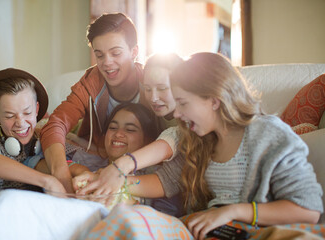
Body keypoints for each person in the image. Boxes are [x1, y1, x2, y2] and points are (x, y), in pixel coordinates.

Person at [153, 52, 323, 239]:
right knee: (131, 218)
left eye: (182, 103)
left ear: (214, 100)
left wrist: (233, 211)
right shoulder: (201, 141)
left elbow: (309, 211)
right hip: (215, 233)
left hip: (259, 233)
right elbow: (168, 180)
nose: (176, 113)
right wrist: (121, 175)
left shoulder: (269, 135)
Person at [40, 13, 149, 193]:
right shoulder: (91, 82)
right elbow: (57, 123)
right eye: (100, 55)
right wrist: (62, 175)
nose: (107, 63)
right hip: (96, 154)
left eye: (116, 53)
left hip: (139, 162)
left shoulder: (150, 83)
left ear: (134, 52)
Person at [78, 53, 185, 198]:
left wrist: (117, 171)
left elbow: (170, 145)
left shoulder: (186, 128)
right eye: (148, 89)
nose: (153, 98)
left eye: (162, 88)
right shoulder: (156, 112)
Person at [71, 103, 184, 214]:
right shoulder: (92, 162)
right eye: (113, 127)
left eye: (130, 129)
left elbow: (170, 215)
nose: (118, 134)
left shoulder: (156, 177)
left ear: (149, 140)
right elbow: (63, 162)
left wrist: (129, 201)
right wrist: (80, 170)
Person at [0, 68, 65, 194]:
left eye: (27, 113)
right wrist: (46, 181)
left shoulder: (45, 137)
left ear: (37, 109)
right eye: (9, 116)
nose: (20, 123)